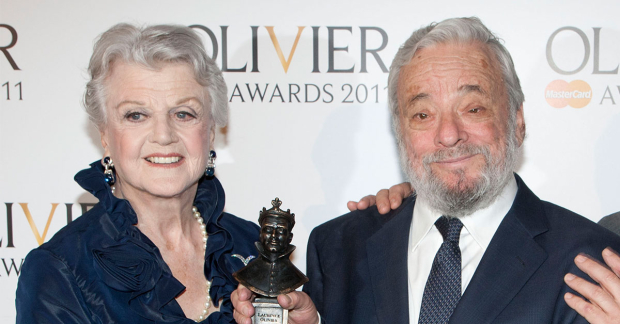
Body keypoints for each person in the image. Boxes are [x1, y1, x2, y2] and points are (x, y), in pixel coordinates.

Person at [232, 17, 620, 324]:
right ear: (400, 132)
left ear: (517, 121)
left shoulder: (592, 262)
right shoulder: (338, 249)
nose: (448, 135)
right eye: (422, 114)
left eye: (473, 108)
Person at [15, 24, 260, 323]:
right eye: (136, 115)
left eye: (183, 113)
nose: (163, 135)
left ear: (210, 131)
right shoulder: (59, 270)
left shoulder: (253, 243)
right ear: (105, 135)